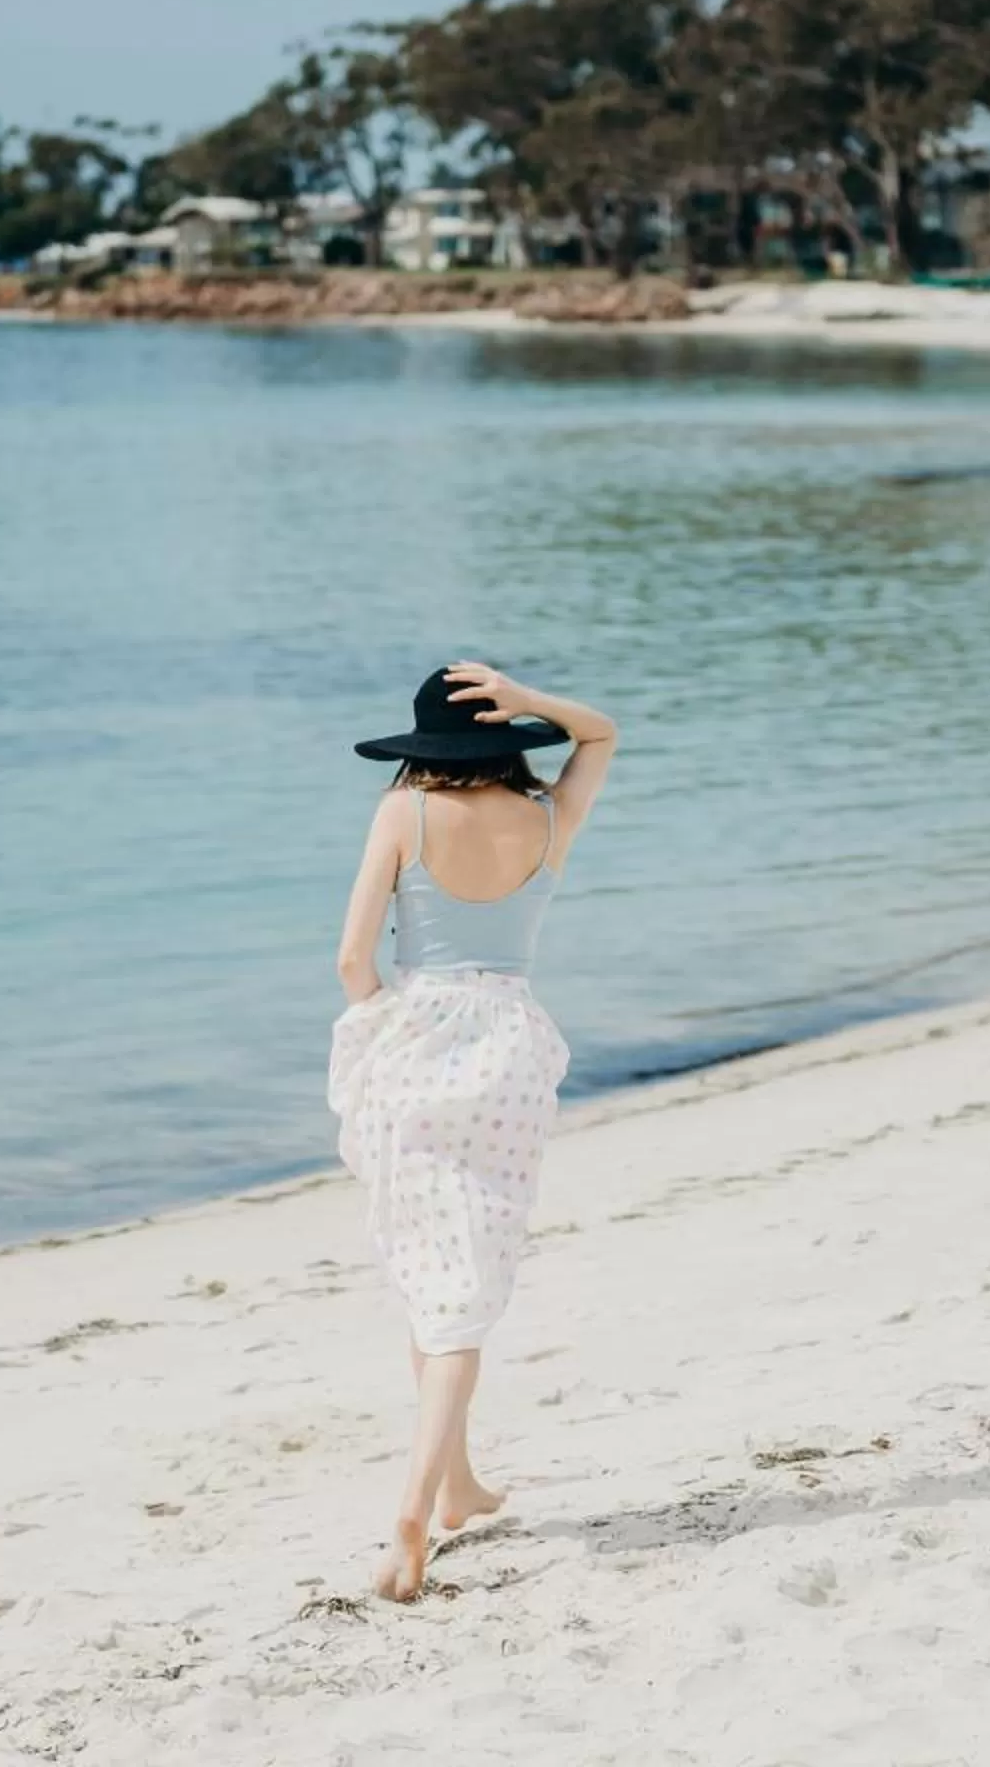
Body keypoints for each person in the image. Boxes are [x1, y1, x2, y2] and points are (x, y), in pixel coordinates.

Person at [329, 659, 619, 1602]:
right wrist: (531, 702)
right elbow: (602, 732)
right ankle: (453, 1485)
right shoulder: (547, 819)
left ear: (424, 748)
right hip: (509, 1045)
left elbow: (352, 960)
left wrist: (380, 1026)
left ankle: (418, 1505)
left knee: (433, 1273)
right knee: (458, 1274)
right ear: (503, 738)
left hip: (415, 1035)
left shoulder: (403, 814)